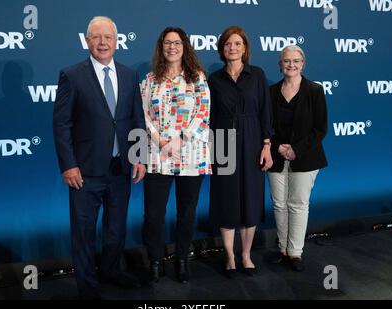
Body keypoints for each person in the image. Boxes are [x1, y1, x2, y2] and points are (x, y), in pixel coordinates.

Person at [53, 16, 146, 299]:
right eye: (96, 37)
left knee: (115, 229)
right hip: (85, 170)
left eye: (108, 37)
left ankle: (110, 271)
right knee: (83, 231)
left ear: (117, 42)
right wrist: (69, 165)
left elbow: (136, 120)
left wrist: (139, 157)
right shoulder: (72, 75)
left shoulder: (130, 75)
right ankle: (87, 284)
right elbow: (62, 124)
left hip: (121, 168)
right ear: (87, 41)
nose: (102, 42)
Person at [140, 27, 211, 283]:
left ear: (185, 47)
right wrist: (160, 140)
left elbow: (203, 114)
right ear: (161, 47)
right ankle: (156, 262)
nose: (172, 47)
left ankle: (182, 260)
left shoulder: (197, 78)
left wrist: (179, 140)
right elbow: (144, 114)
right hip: (157, 155)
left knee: (186, 212)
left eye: (177, 42)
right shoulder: (149, 80)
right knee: (154, 215)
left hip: (191, 156)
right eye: (167, 43)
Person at [208, 26, 273, 278]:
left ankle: (246, 255)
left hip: (253, 141)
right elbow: (210, 119)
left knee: (251, 198)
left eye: (237, 43)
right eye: (228, 44)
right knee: (227, 199)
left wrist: (266, 146)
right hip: (223, 141)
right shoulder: (214, 79)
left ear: (245, 48)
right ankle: (230, 257)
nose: (232, 48)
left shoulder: (257, 75)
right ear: (222, 49)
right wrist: (211, 150)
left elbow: (266, 111)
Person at [268, 45, 328, 272]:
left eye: (295, 61)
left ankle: (295, 253)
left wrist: (296, 150)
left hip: (306, 158)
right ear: (280, 65)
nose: (291, 64)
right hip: (276, 156)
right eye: (286, 61)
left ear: (303, 64)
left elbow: (321, 129)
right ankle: (283, 249)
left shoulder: (314, 90)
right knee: (279, 204)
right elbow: (265, 126)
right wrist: (278, 147)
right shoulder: (271, 92)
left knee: (298, 204)